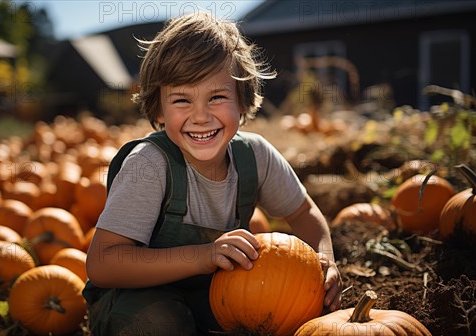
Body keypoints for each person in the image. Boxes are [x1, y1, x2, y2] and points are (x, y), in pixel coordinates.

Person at [84, 11, 342, 335]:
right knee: (162, 325)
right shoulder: (149, 165)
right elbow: (103, 264)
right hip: (134, 299)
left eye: (217, 97)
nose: (201, 116)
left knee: (283, 310)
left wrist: (325, 260)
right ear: (159, 109)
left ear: (242, 101)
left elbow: (304, 212)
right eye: (182, 100)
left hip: (214, 293)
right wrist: (204, 256)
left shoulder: (255, 156)